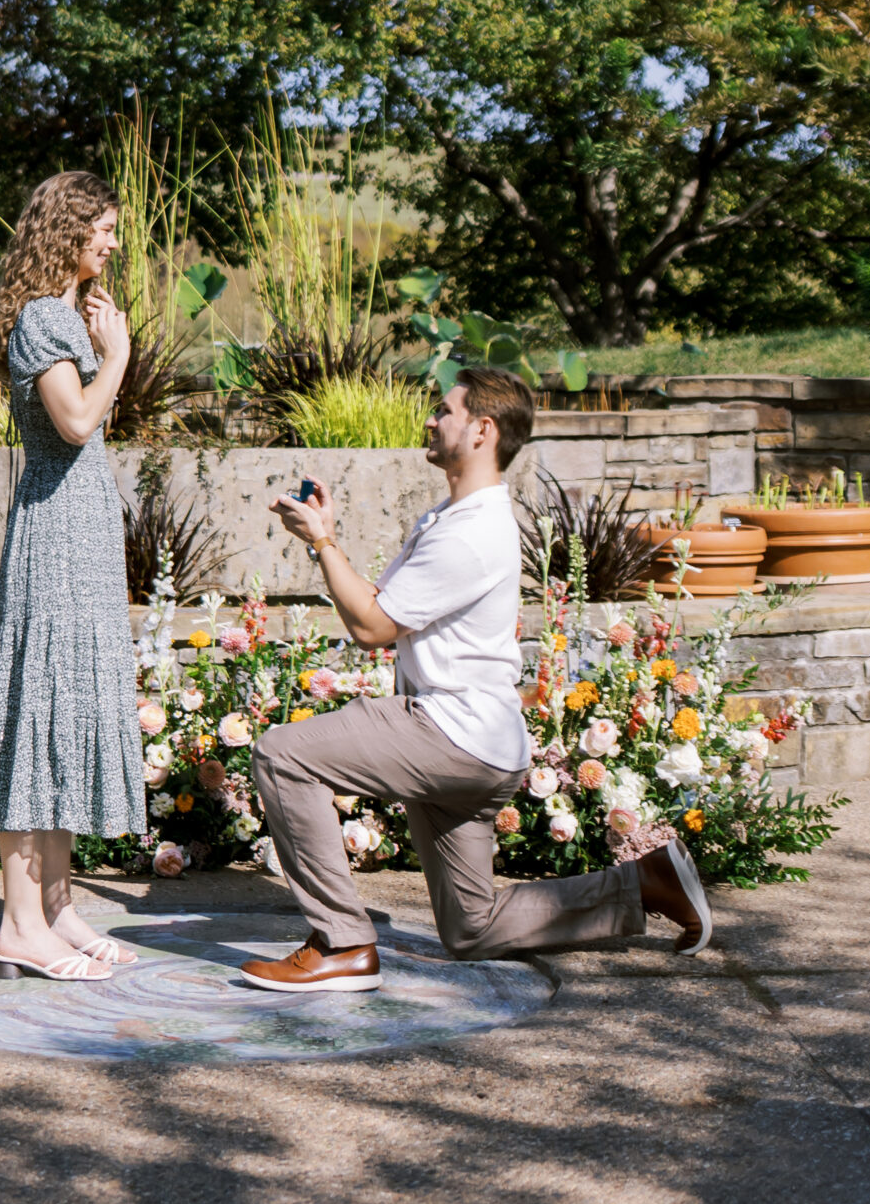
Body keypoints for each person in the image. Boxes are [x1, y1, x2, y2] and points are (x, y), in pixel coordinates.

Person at [241, 364, 711, 994]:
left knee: (282, 755)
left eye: (445, 410)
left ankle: (342, 944)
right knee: (472, 929)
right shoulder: (453, 518)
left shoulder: (471, 531)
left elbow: (374, 628)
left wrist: (324, 545)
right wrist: (324, 537)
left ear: (483, 430)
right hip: (478, 743)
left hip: (447, 728)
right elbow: (390, 606)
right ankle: (645, 883)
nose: (431, 420)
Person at [0, 169, 146, 981]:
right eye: (103, 229)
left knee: (66, 709)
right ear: (67, 231)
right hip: (53, 539)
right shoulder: (45, 318)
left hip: (78, 539)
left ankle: (56, 906)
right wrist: (118, 355)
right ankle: (17, 924)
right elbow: (75, 422)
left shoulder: (60, 312)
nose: (112, 242)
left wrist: (104, 345)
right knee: (37, 712)